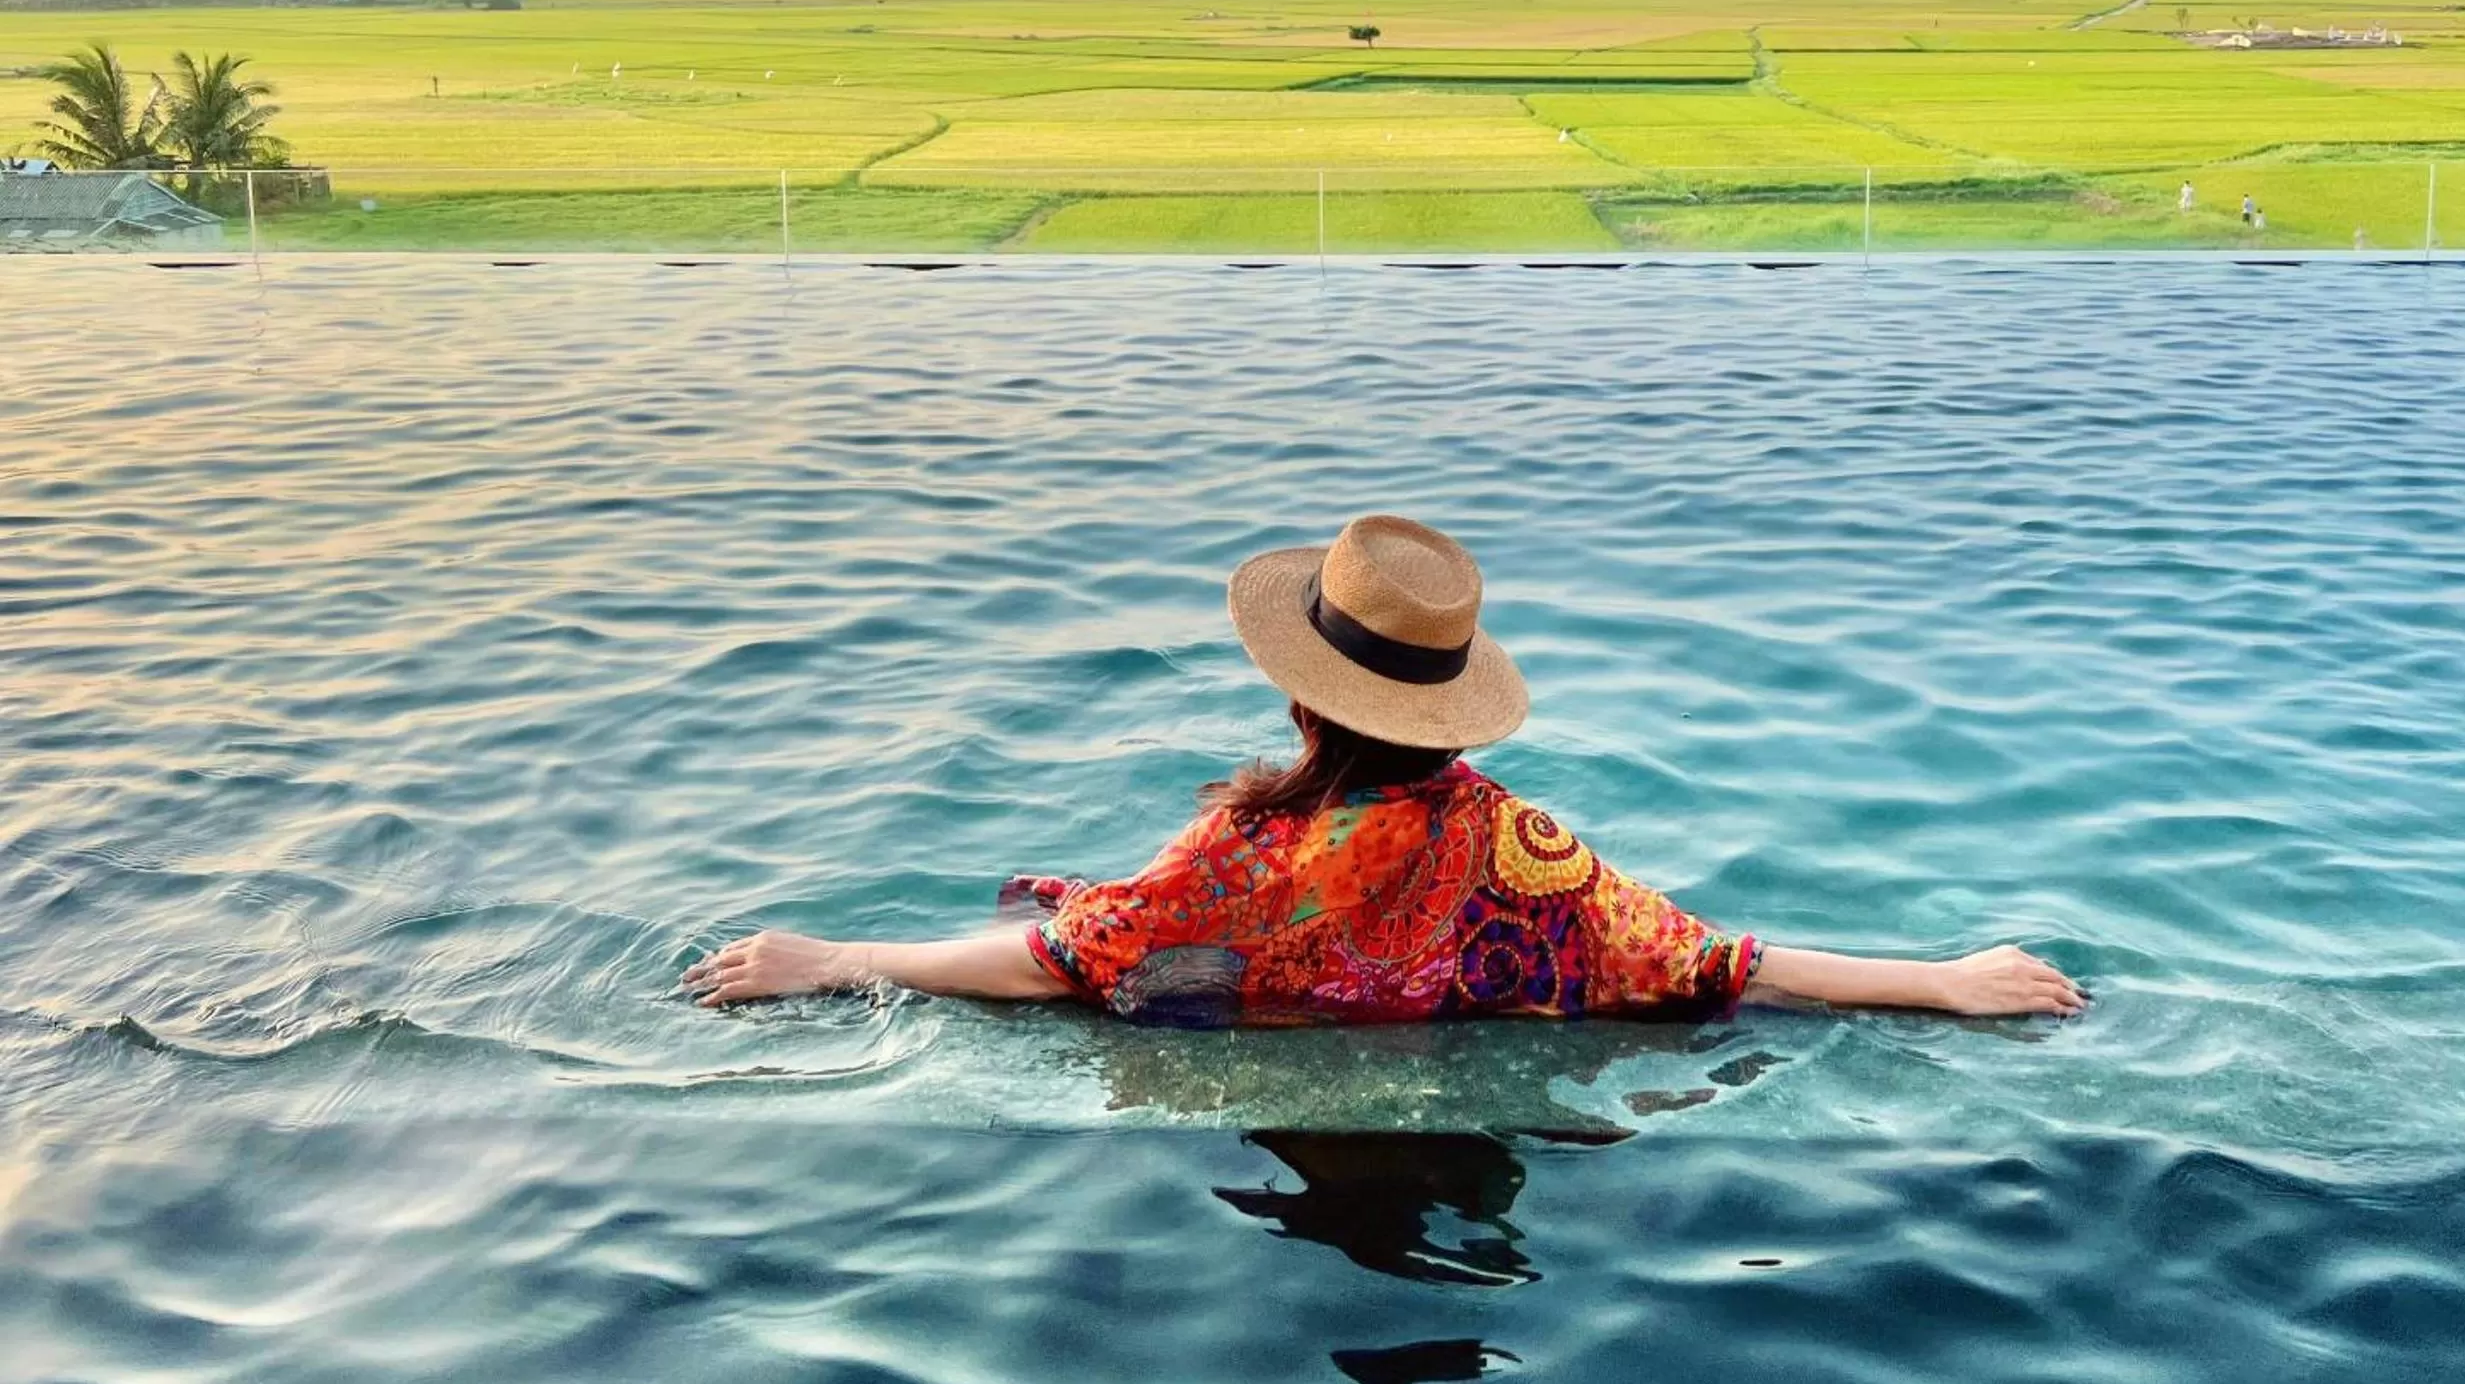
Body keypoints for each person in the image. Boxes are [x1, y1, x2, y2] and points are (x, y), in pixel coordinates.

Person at [685, 516, 2086, 1027]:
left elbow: (1061, 959)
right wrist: (1944, 980)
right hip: (1429, 1069)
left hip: (1231, 1013)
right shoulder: (1519, 845)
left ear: (1303, 699)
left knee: (1054, 915)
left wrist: (836, 955)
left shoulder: (1234, 856)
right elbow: (1719, 959)